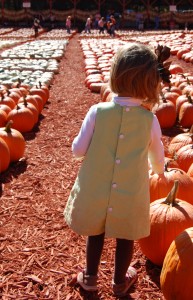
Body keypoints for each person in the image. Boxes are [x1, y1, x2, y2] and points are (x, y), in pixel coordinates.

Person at [64, 43, 167, 297]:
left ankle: (89, 278)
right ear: (150, 82)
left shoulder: (97, 112)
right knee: (126, 236)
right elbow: (157, 156)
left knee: (95, 233)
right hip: (130, 191)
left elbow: (78, 150)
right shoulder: (149, 120)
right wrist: (159, 172)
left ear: (115, 74)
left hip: (95, 188)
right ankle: (119, 282)